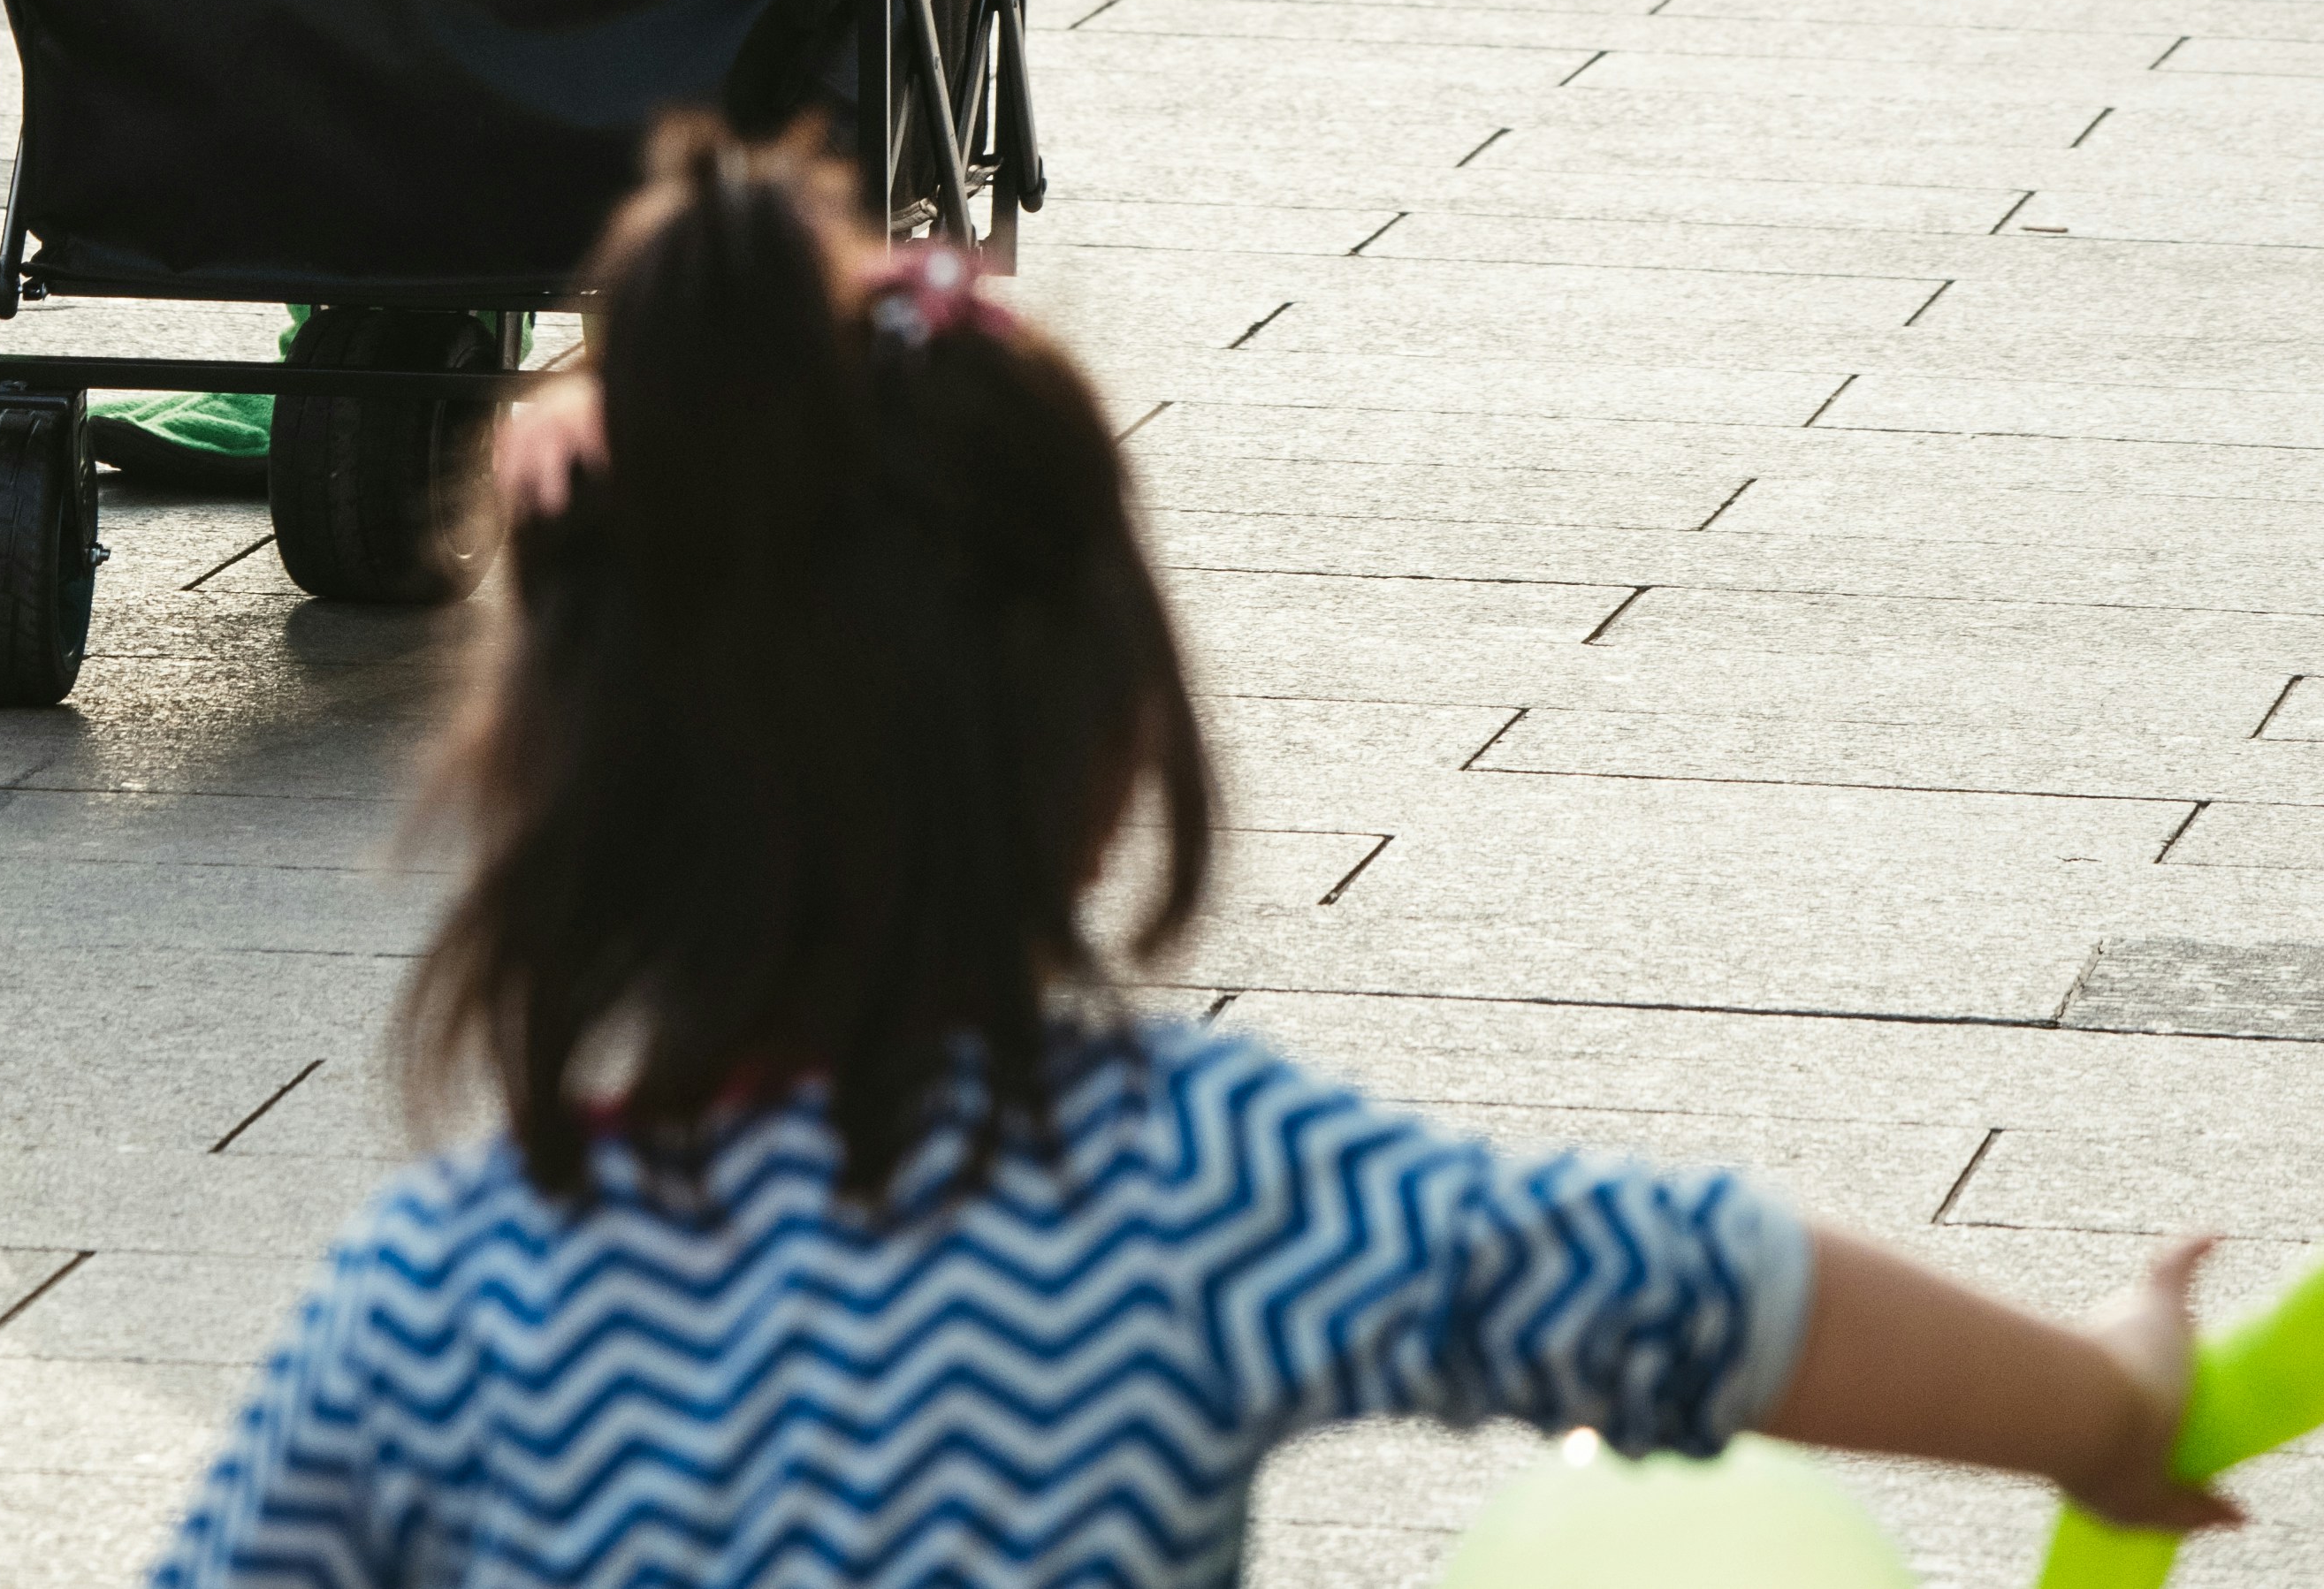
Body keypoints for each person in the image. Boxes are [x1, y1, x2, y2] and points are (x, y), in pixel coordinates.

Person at [154, 118, 2238, 1589]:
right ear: (1105, 755)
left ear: (544, 783)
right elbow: (1696, 1282)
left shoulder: (436, 1302)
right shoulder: (1193, 1188)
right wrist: (2097, 1399)